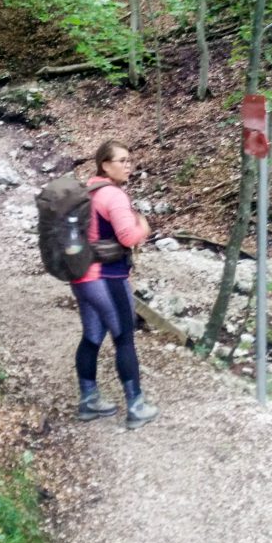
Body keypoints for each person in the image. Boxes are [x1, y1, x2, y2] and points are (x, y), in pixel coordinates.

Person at [70, 139, 158, 430]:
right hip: (108, 278)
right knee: (124, 338)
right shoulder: (114, 196)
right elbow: (127, 237)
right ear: (105, 164)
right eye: (121, 160)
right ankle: (136, 406)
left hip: (82, 277)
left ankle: (89, 401)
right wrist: (144, 227)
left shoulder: (88, 191)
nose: (128, 166)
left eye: (129, 160)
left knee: (92, 337)